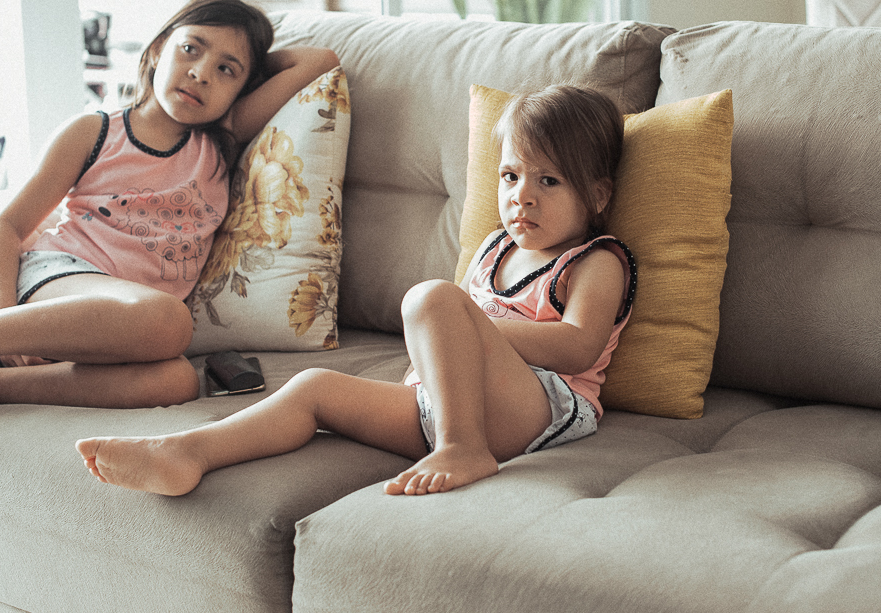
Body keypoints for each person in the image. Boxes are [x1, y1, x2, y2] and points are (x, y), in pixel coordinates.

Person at [76, 84, 637, 497]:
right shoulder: (495, 249)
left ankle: (463, 449)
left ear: (598, 195)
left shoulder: (594, 260)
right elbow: (452, 346)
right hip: (448, 406)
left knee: (431, 298)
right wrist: (444, 358)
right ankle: (186, 452)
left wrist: (468, 329)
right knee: (314, 388)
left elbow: (578, 347)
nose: (522, 197)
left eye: (548, 180)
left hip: (539, 408)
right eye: (510, 176)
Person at [0, 0, 339, 444]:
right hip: (62, 277)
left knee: (175, 381)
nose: (200, 73)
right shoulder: (95, 133)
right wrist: (1, 321)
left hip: (129, 327)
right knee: (170, 322)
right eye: (190, 49)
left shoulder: (221, 139)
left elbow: (319, 60)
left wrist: (252, 67)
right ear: (157, 49)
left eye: (225, 70)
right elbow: (4, 227)